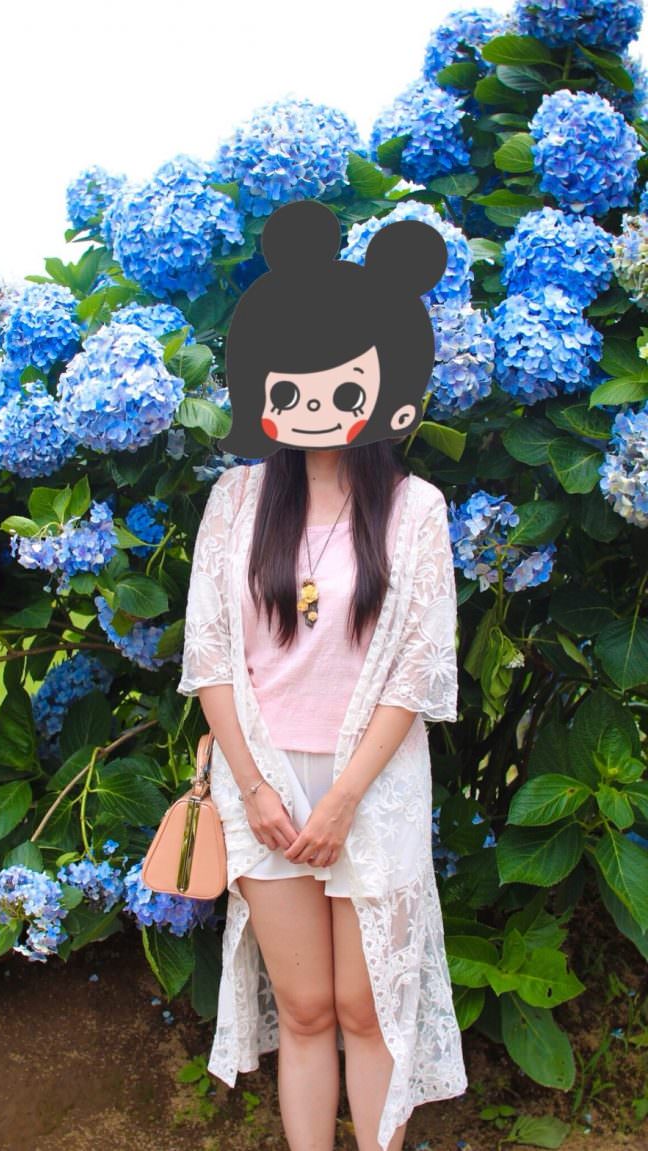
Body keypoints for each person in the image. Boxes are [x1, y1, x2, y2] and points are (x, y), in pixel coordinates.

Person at [176, 202, 467, 1151]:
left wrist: (342, 798)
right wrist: (255, 788)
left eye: (341, 384)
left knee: (365, 1008)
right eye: (290, 383)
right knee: (303, 1009)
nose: (314, 405)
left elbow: (417, 670)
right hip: (260, 784)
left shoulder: (416, 510)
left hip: (369, 786)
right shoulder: (236, 501)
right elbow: (210, 656)